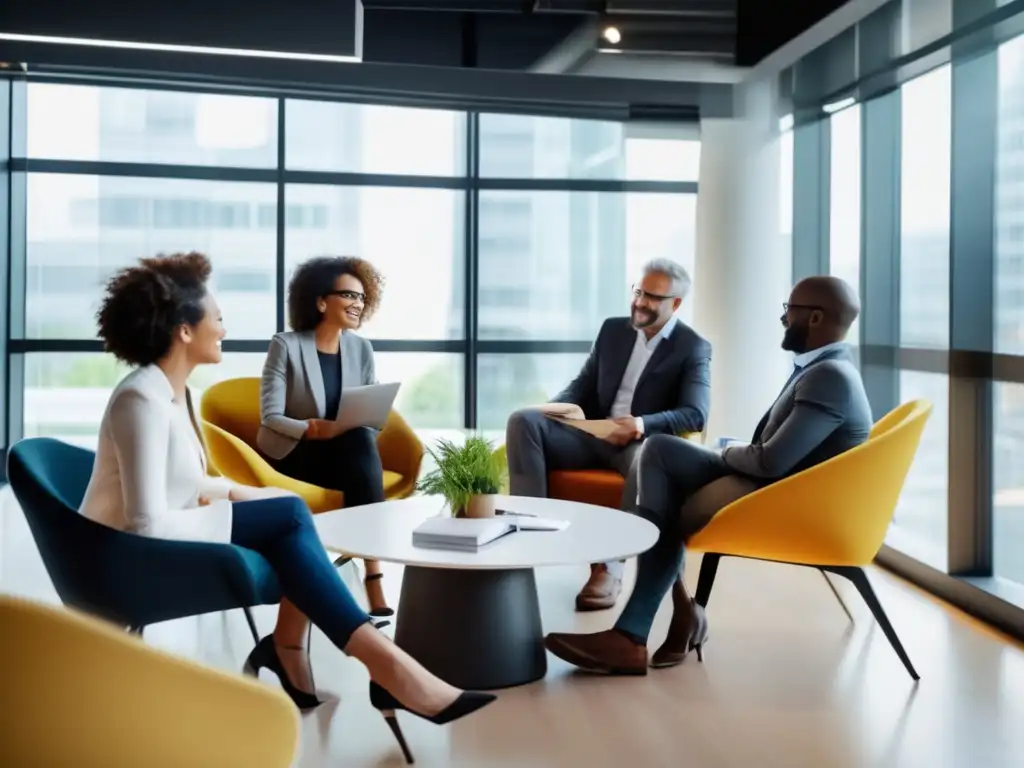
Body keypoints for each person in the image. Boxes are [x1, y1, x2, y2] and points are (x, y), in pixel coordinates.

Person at [79, 252, 494, 752]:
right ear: (184, 331)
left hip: (148, 540)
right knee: (291, 517)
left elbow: (188, 483)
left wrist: (254, 494)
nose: (224, 330)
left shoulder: (173, 393)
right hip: (118, 559)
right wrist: (243, 510)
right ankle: (382, 668)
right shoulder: (140, 400)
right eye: (217, 318)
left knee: (290, 514)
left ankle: (313, 653)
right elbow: (146, 525)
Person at [543, 275, 872, 674]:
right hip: (776, 487)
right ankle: (664, 621)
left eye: (790, 310)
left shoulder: (829, 377)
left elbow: (770, 463)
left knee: (661, 477)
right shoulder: (824, 368)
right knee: (659, 454)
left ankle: (641, 632)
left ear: (816, 317)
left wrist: (723, 450)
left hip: (782, 498)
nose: (783, 319)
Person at [505, 258, 711, 611]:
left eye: (653, 297)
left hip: (638, 443)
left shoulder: (692, 347)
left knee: (647, 462)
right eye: (638, 291)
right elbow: (583, 385)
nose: (640, 302)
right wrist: (555, 408)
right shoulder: (613, 330)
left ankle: (611, 569)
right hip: (592, 433)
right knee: (523, 420)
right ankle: (529, 537)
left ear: (675, 304)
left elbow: (695, 413)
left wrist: (641, 424)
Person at [258, 256, 393, 618]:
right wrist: (312, 429)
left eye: (362, 298)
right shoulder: (285, 345)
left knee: (361, 441)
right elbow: (270, 417)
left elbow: (370, 412)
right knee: (359, 455)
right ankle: (371, 573)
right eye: (349, 295)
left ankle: (364, 570)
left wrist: (360, 420)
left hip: (345, 452)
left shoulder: (361, 348)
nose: (358, 304)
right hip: (296, 453)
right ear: (321, 301)